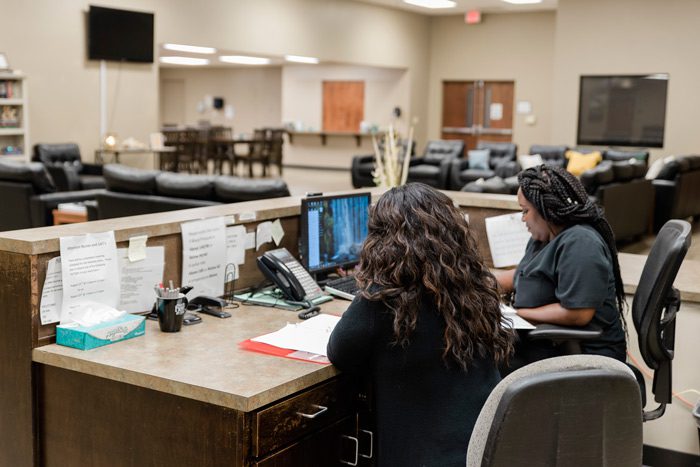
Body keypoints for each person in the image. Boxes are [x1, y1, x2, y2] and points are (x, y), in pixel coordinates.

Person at [327, 183, 513, 467]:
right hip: (486, 450)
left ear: (383, 240)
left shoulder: (383, 298)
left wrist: (367, 283)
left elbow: (339, 351)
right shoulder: (472, 286)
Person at [495, 165, 627, 371]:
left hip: (581, 355)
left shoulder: (581, 243)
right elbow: (523, 273)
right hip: (546, 343)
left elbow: (578, 314)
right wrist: (478, 285)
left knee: (474, 363)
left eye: (525, 210)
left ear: (546, 210)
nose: (522, 219)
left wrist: (518, 313)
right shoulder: (543, 238)